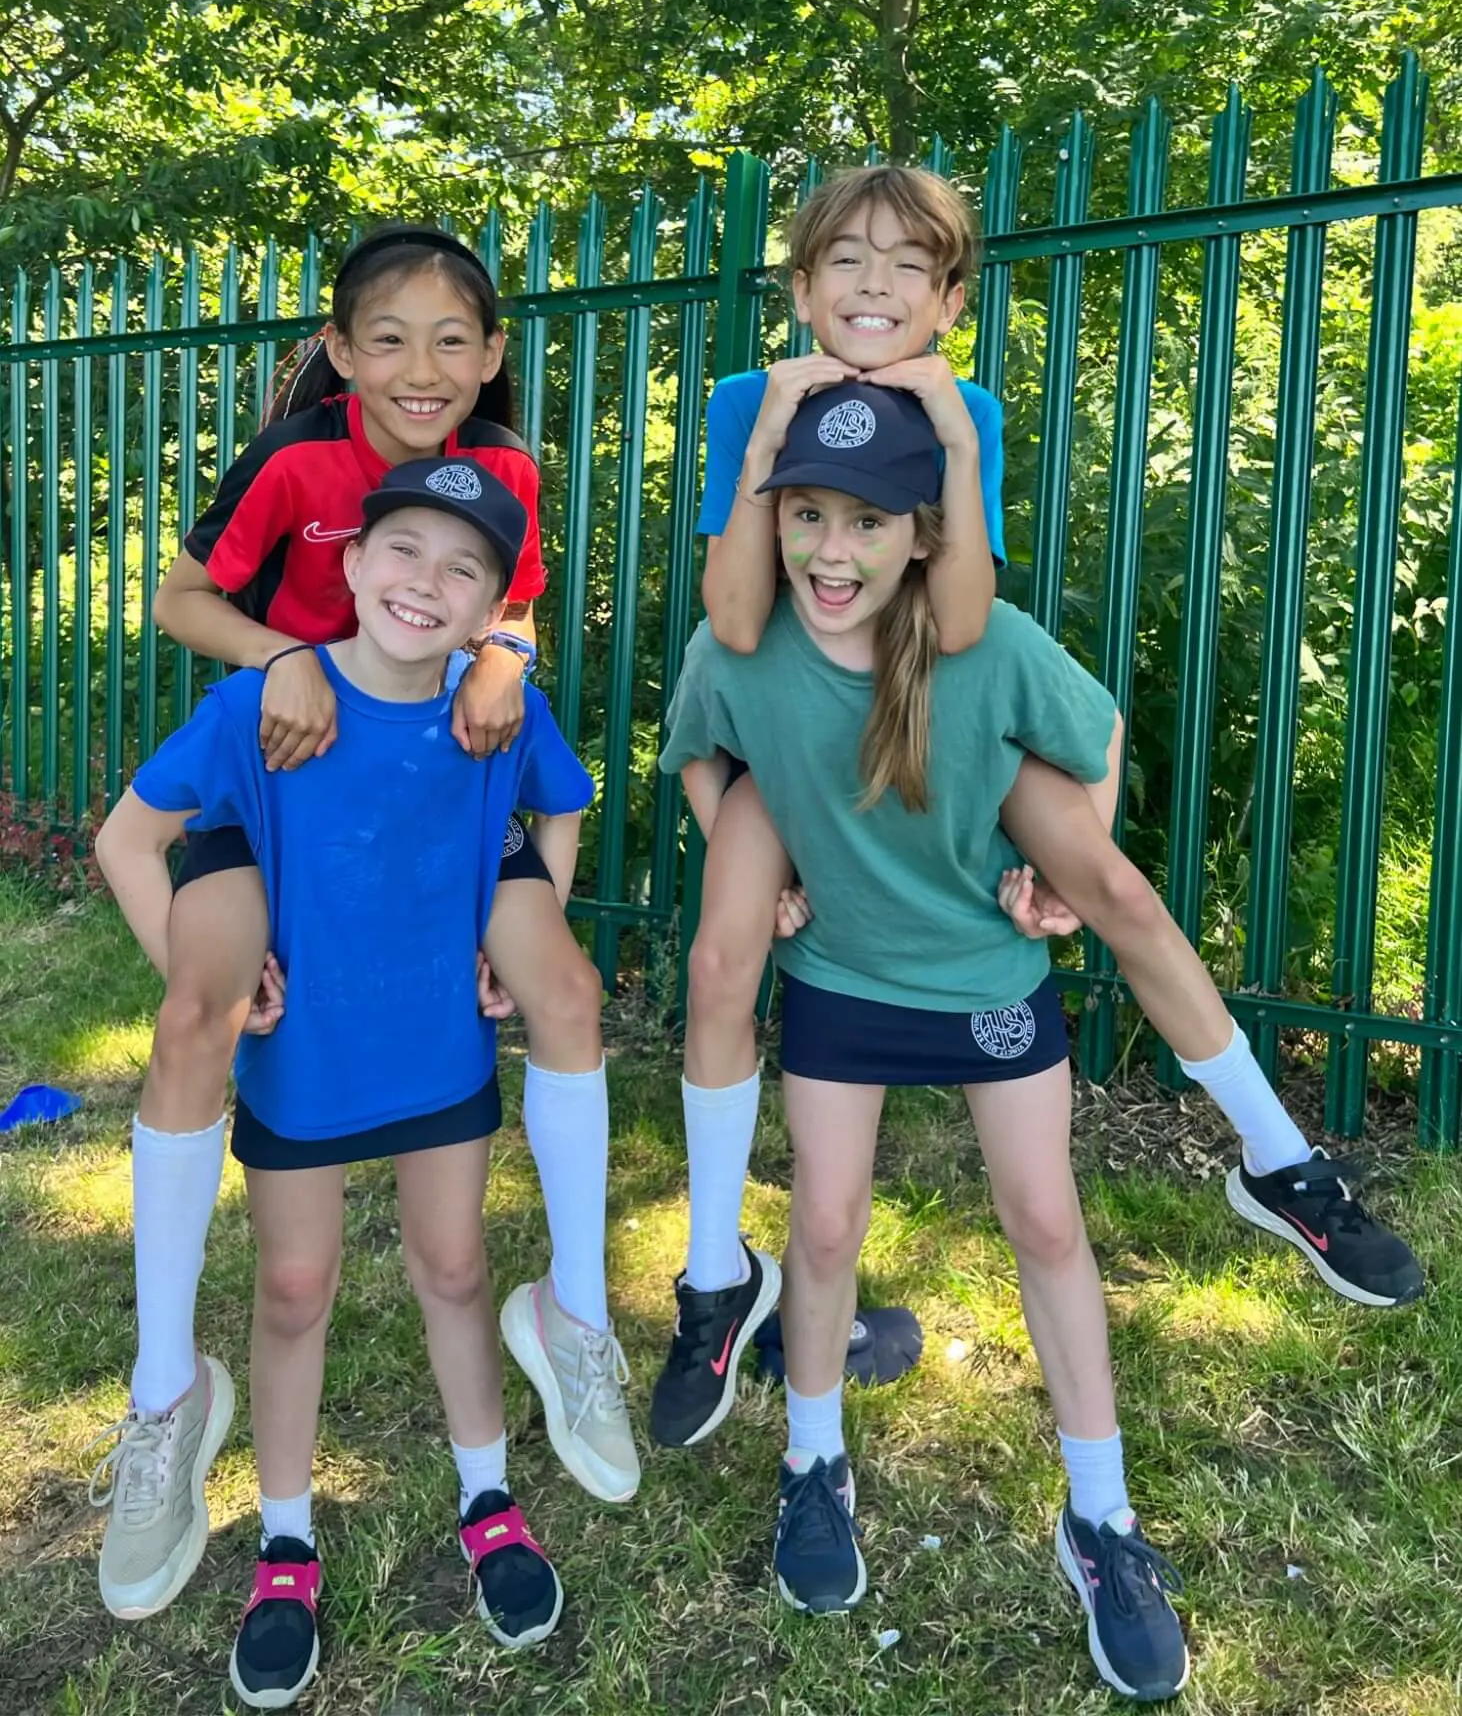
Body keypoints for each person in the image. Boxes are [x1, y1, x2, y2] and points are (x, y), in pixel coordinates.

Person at [651, 164, 1421, 1451]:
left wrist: (949, 436)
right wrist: (774, 428)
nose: (873, 287)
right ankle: (716, 1271)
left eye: (908, 265)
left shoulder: (972, 409)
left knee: (1115, 888)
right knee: (724, 953)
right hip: (787, 714)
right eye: (845, 260)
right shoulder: (750, 400)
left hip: (930, 702)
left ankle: (1280, 1160)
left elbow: (954, 621)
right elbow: (734, 619)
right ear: (796, 287)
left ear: (951, 298)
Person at [91, 228, 633, 1629]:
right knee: (201, 1018)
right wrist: (287, 663)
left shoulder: (503, 471)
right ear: (338, 351)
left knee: (557, 988)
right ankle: (166, 1400)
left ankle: (570, 1322)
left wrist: (504, 654)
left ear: (494, 357)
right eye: (387, 338)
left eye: (454, 340)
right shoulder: (291, 462)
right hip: (274, 765)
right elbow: (178, 602)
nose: (422, 369)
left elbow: (497, 602)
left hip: (436, 761)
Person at [659, 383, 1194, 1699]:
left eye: (864, 523)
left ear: (920, 539)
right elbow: (697, 755)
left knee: (1048, 1224)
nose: (828, 551)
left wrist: (1065, 881)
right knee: (826, 1228)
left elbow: (1098, 735)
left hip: (988, 978)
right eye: (805, 516)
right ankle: (812, 1466)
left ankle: (1101, 1520)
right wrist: (753, 857)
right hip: (840, 978)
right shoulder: (741, 647)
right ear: (770, 516)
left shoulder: (985, 644)